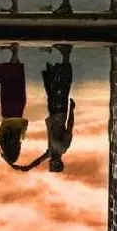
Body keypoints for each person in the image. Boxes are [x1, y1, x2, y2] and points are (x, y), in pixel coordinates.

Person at [42, 44, 75, 172]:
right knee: (62, 83)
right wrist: (72, 110)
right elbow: (70, 126)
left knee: (53, 83)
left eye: (50, 165)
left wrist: (24, 167)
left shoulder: (50, 152)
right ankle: (66, 53)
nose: (51, 163)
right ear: (60, 163)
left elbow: (37, 161)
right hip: (61, 111)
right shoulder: (63, 147)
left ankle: (64, 54)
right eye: (54, 165)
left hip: (52, 111)